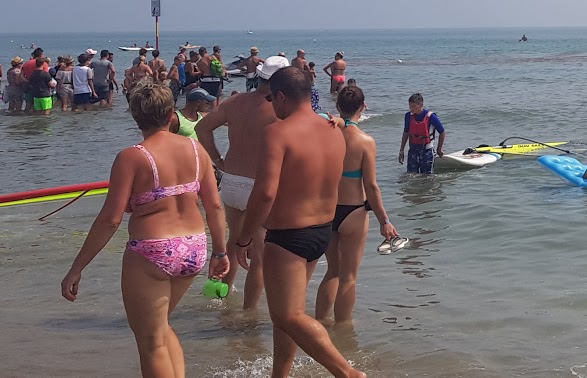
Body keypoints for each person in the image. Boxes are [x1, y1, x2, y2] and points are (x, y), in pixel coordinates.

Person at [60, 81, 229, 378]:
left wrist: (77, 267)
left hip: (153, 249)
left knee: (149, 342)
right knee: (160, 327)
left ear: (135, 116)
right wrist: (220, 251)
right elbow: (214, 207)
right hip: (194, 246)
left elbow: (110, 219)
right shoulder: (195, 149)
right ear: (170, 115)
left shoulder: (132, 157)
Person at [229, 67, 366, 378]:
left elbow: (264, 194)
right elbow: (343, 124)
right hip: (320, 232)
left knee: (288, 316)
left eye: (271, 99)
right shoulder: (333, 129)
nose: (270, 107)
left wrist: (243, 239)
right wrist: (339, 119)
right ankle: (281, 374)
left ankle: (348, 373)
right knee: (285, 314)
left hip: (288, 236)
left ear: (281, 96)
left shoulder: (277, 132)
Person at [196, 54, 290, 309]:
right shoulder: (281, 109)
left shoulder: (235, 101)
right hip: (256, 185)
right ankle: (248, 313)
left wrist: (217, 160)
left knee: (234, 241)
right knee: (258, 255)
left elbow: (201, 128)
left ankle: (218, 296)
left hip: (231, 180)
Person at [315, 85, 400, 323]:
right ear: (363, 107)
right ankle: (343, 332)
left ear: (338, 107)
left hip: (327, 210)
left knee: (332, 271)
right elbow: (371, 186)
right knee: (349, 277)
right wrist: (385, 221)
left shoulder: (326, 133)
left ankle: (319, 324)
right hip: (353, 211)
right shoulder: (365, 141)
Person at [398, 93, 445, 174]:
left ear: (420, 105)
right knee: (411, 175)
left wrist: (439, 148)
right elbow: (406, 133)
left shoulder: (431, 117)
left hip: (427, 151)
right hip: (413, 150)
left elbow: (442, 132)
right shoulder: (408, 116)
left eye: (413, 106)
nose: (411, 108)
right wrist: (401, 151)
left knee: (427, 176)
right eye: (410, 106)